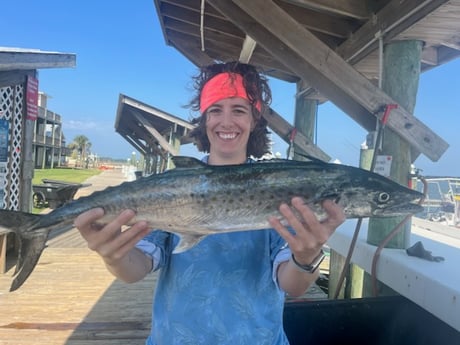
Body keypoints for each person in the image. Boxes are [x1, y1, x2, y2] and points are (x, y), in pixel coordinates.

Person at [75, 61, 345, 345]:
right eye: (215, 110)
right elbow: (136, 269)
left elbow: (293, 285)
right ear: (204, 119)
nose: (226, 121)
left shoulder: (279, 189)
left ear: (254, 120)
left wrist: (307, 257)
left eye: (238, 110)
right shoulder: (173, 188)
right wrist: (113, 256)